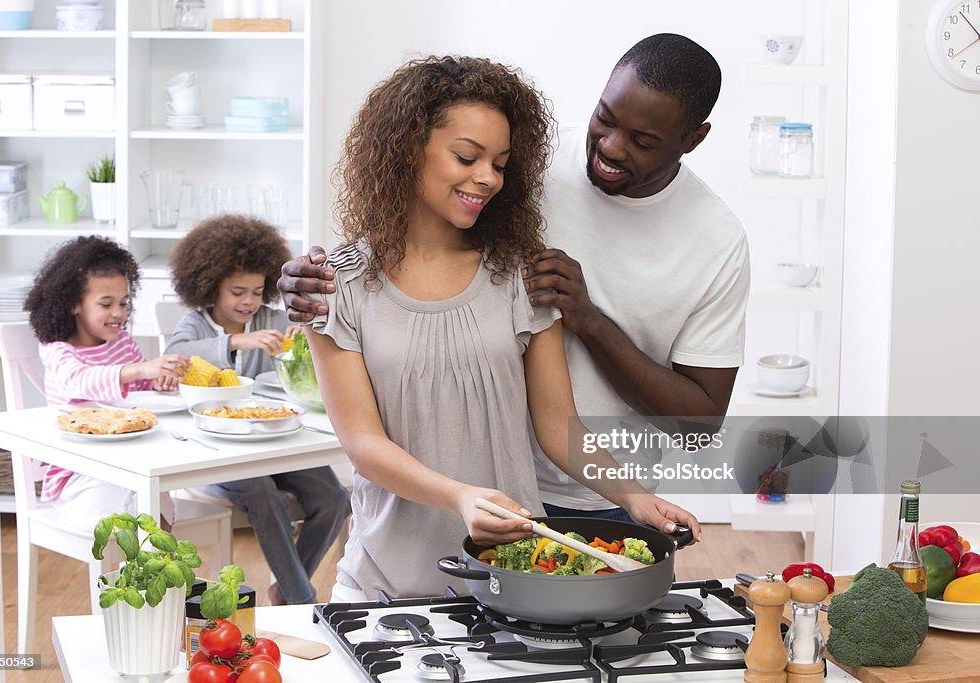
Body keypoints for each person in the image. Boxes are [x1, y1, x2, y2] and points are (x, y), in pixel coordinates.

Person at [279, 34, 749, 525]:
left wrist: (632, 497)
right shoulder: (341, 284)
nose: (489, 178)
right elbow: (363, 444)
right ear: (406, 147)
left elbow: (573, 426)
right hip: (401, 551)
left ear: (692, 140)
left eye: (500, 165)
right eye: (605, 119)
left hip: (565, 506)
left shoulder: (524, 273)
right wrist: (298, 281)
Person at [165, 215, 350, 605]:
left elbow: (306, 340)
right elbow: (175, 356)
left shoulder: (270, 318)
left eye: (256, 291)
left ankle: (286, 589)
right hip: (220, 455)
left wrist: (306, 333)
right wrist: (237, 342)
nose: (248, 302)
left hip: (273, 443)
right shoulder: (196, 325)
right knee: (265, 495)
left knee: (334, 498)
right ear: (209, 287)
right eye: (237, 292)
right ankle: (301, 599)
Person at [24, 235, 188, 527]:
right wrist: (139, 370)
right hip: (81, 473)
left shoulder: (122, 343)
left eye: (124, 303)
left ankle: (151, 571)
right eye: (106, 304)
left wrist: (158, 382)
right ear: (75, 304)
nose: (118, 313)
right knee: (135, 515)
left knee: (156, 507)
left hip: (130, 462)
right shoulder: (58, 351)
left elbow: (140, 395)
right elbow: (80, 381)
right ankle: (134, 571)